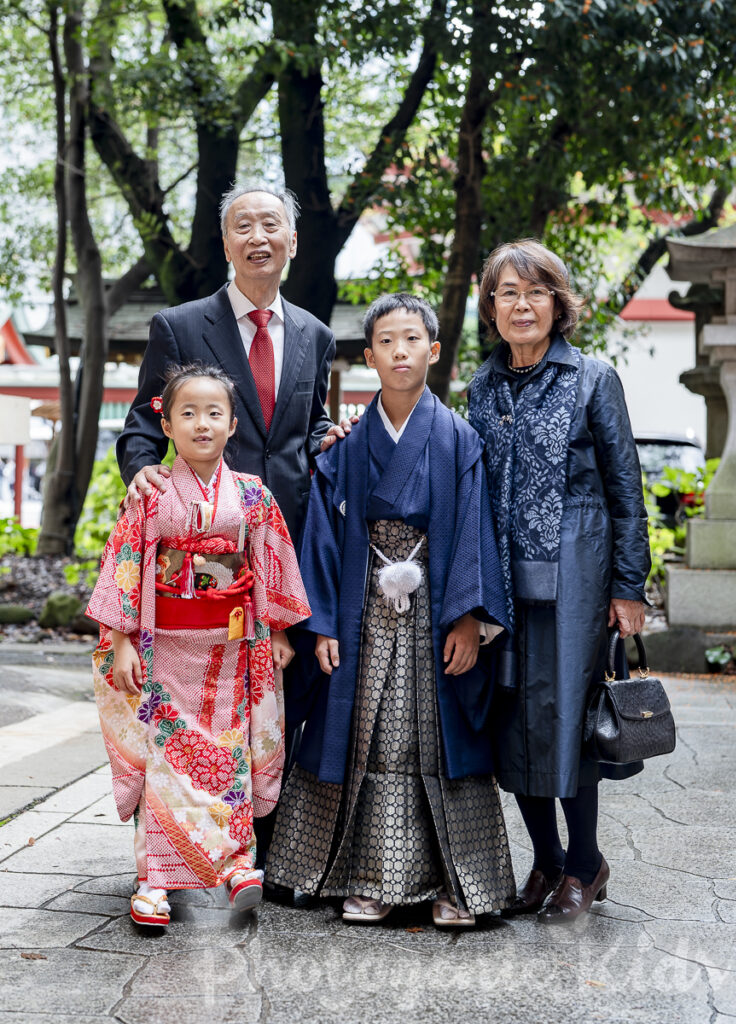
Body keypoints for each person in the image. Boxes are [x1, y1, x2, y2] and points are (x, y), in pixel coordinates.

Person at [265, 294, 515, 927]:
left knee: (434, 735)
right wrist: (321, 623)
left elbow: (476, 531)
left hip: (437, 605)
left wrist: (468, 618)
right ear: (369, 356)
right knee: (367, 733)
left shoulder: (459, 438)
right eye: (386, 341)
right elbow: (322, 538)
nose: (400, 352)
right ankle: (366, 877)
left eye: (412, 340)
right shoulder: (347, 447)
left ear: (434, 351)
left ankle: (455, 884)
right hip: (362, 608)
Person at [87, 364, 310, 928]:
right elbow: (125, 564)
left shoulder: (253, 494)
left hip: (231, 652)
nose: (202, 424)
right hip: (162, 650)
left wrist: (278, 630)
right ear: (167, 425)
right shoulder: (151, 492)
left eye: (214, 413)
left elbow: (270, 563)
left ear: (233, 424)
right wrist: (122, 640)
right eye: (188, 413)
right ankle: (154, 880)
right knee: (163, 762)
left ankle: (237, 864)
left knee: (229, 757)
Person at [468, 239, 650, 924]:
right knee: (512, 721)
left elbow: (625, 488)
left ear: (557, 303)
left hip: (576, 575)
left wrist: (628, 585)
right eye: (508, 293)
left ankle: (584, 863)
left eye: (535, 292)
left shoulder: (592, 378)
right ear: (491, 307)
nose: (522, 305)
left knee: (568, 720)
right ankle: (545, 859)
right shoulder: (482, 386)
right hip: (502, 578)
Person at [116, 183, 335, 547]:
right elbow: (145, 421)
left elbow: (311, 421)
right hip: (204, 526)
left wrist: (327, 437)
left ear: (293, 242)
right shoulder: (178, 327)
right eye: (243, 226)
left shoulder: (317, 335)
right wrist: (141, 469)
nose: (257, 237)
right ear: (227, 247)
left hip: (291, 527)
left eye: (270, 224)